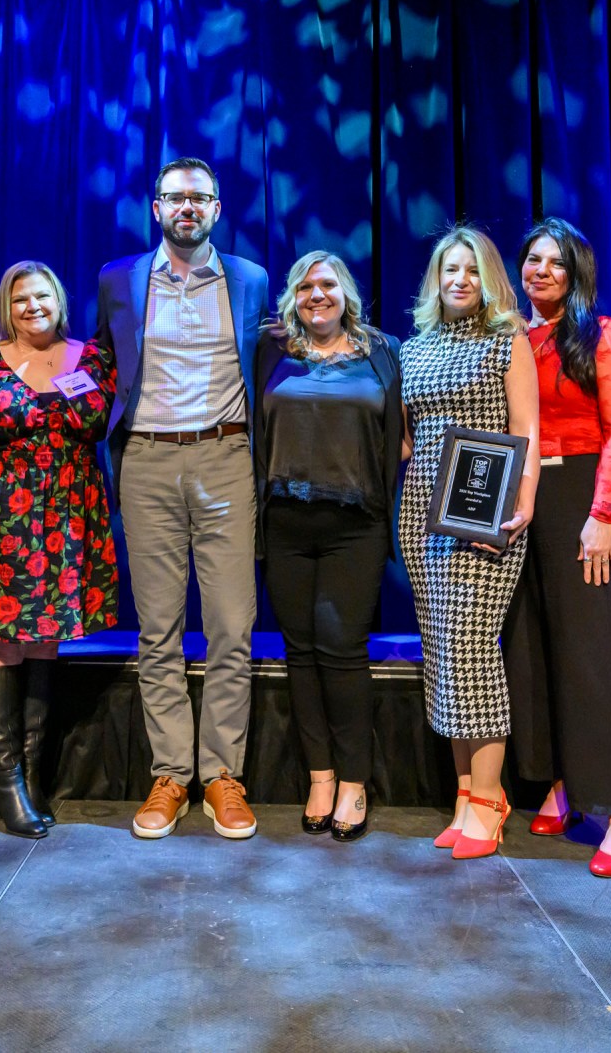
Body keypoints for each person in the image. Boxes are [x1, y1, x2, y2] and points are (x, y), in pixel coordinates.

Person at [96, 157, 270, 840]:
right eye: (175, 197)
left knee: (231, 625)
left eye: (200, 197)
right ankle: (171, 773)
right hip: (146, 460)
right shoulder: (119, 278)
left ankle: (222, 774)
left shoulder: (251, 279)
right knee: (158, 630)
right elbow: (101, 364)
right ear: (156, 208)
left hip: (226, 457)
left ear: (218, 209)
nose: (187, 206)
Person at [0, 261, 119, 838]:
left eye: (42, 296)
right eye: (20, 299)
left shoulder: (94, 359)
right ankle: (6, 785)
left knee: (44, 642)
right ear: (6, 308)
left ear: (59, 301)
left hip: (68, 515)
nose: (32, 307)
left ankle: (32, 777)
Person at [505, 218, 611, 876]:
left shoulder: (602, 335)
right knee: (533, 649)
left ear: (576, 274)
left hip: (581, 499)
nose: (541, 270)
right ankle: (562, 783)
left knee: (590, 657)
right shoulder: (512, 336)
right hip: (525, 498)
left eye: (555, 262)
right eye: (532, 259)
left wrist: (601, 515)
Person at [398, 225, 539, 860]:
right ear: (436, 278)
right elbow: (407, 439)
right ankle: (467, 796)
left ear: (490, 280)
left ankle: (488, 799)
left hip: (484, 513)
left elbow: (526, 428)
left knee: (472, 651)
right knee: (445, 658)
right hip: (420, 514)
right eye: (450, 269)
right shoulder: (414, 349)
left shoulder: (507, 340)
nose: (460, 280)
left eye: (473, 270)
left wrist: (523, 501)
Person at [252, 252, 403, 843]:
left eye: (327, 284)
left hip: (355, 524)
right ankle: (320, 777)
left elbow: (403, 431)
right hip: (285, 521)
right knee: (300, 651)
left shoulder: (381, 351)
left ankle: (354, 782)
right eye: (305, 286)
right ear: (293, 297)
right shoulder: (271, 351)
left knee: (341, 648)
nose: (317, 294)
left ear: (346, 294)